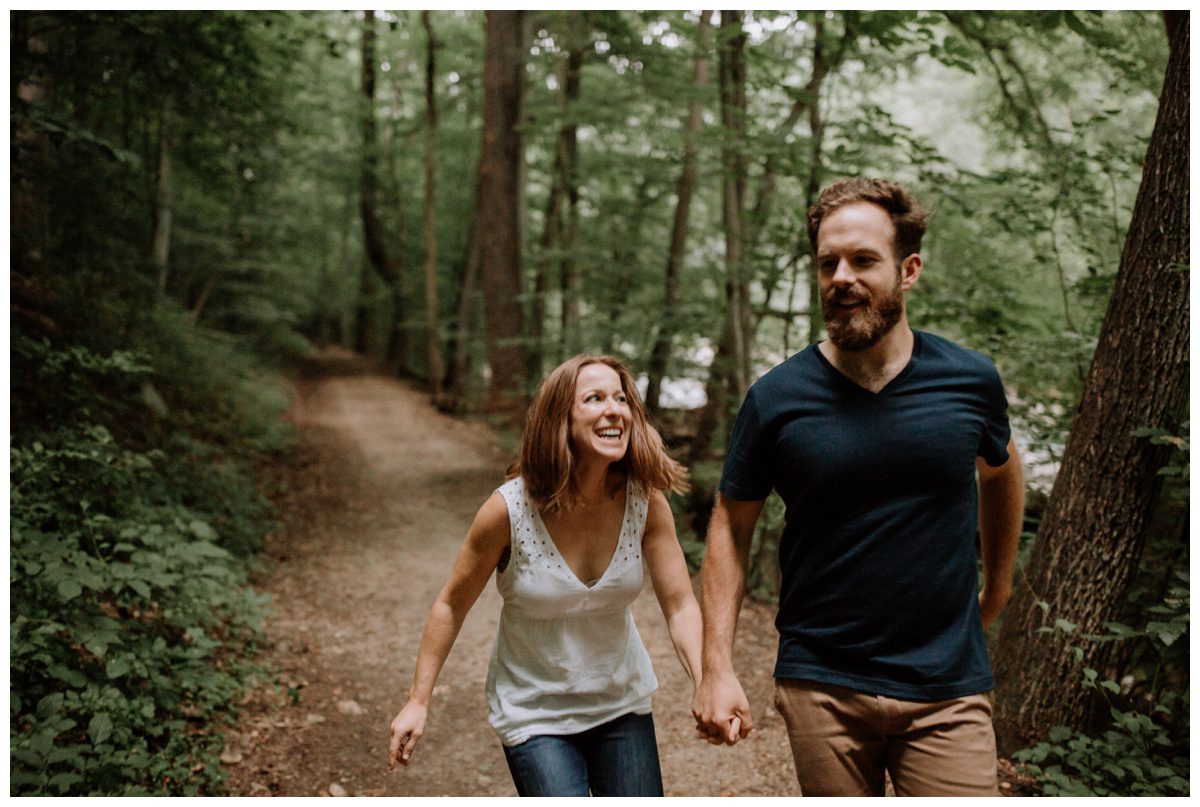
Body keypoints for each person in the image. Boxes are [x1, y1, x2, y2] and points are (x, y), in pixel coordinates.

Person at [691, 178, 1025, 796]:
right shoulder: (777, 398)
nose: (841, 277)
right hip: (823, 682)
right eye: (828, 263)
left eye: (864, 260)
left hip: (948, 685)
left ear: (909, 270)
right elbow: (730, 525)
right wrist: (716, 668)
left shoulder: (970, 380)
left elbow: (1000, 472)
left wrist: (998, 584)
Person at [387, 355, 701, 797]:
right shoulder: (508, 510)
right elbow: (450, 604)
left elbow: (681, 604)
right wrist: (418, 701)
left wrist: (707, 682)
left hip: (621, 704)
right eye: (594, 398)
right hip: (533, 712)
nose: (615, 410)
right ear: (560, 419)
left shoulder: (644, 502)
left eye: (620, 398)